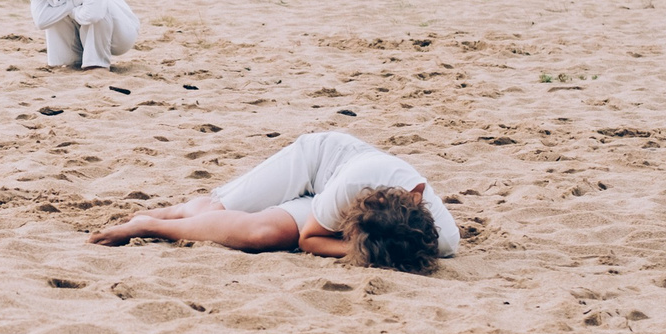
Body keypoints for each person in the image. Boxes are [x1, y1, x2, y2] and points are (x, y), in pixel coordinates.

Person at [88, 130, 460, 269]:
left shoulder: (442, 240)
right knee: (220, 208)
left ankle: (152, 228)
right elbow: (310, 239)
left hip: (347, 206)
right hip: (317, 162)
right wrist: (355, 251)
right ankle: (166, 213)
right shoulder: (352, 187)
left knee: (262, 235)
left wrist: (376, 254)